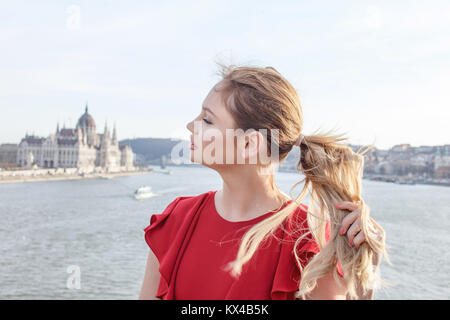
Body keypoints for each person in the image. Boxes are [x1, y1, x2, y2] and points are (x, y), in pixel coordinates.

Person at [139, 63, 387, 300]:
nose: (190, 125)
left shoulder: (309, 240)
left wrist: (365, 276)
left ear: (249, 144)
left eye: (207, 119)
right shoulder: (176, 220)